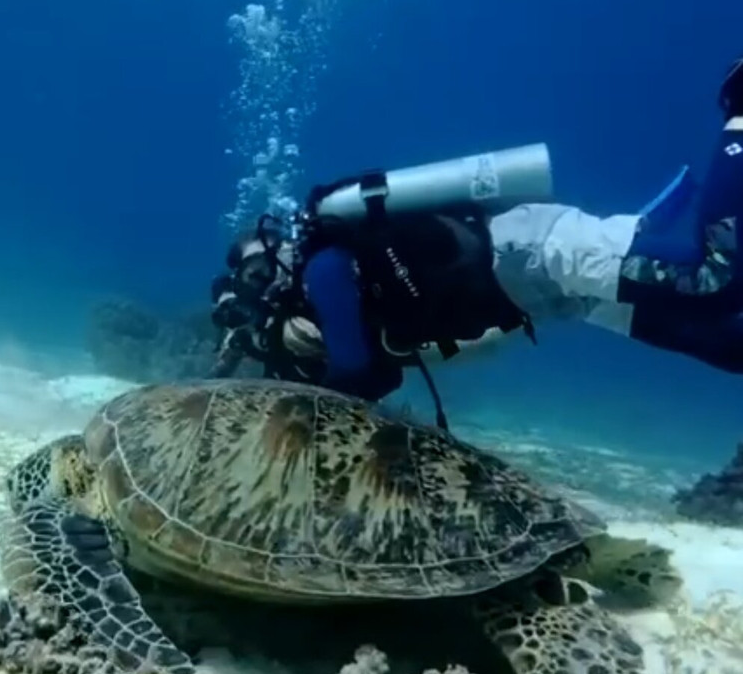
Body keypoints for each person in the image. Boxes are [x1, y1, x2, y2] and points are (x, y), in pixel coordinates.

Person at [210, 56, 743, 426]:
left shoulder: (324, 267)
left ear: (278, 248)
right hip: (545, 293)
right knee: (722, 344)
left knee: (715, 279)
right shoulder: (333, 290)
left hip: (535, 248)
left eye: (261, 272)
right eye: (253, 283)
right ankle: (654, 212)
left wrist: (295, 408)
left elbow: (355, 371)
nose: (265, 286)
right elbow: (380, 372)